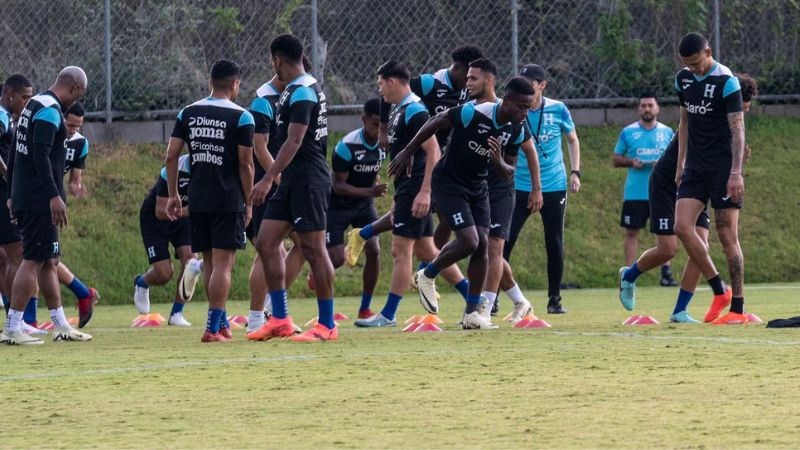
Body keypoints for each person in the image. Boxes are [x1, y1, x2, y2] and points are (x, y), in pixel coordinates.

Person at [391, 77, 535, 329]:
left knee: (481, 248)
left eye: (528, 107)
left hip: (478, 188)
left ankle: (471, 314)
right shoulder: (476, 113)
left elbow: (508, 173)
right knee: (470, 240)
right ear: (508, 101)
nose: (525, 112)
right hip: (449, 182)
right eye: (522, 106)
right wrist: (408, 150)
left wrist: (499, 161)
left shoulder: (516, 129)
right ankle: (428, 273)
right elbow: (436, 121)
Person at [353, 60, 467, 328]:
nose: (379, 90)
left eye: (381, 84)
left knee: (400, 250)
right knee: (428, 250)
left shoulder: (414, 110)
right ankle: (473, 297)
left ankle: (388, 315)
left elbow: (434, 152)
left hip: (418, 186)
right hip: (409, 187)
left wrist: (425, 191)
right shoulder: (400, 109)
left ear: (393, 82)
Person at [247, 34, 338, 342]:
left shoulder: (302, 91)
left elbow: (295, 140)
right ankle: (281, 319)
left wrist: (268, 176)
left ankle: (327, 325)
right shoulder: (294, 89)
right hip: (293, 180)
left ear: (278, 60)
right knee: (266, 241)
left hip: (309, 179)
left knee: (313, 249)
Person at [164, 59, 255, 342]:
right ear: (235, 84)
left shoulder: (188, 112)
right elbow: (245, 164)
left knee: (210, 263)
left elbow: (171, 157)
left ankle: (221, 323)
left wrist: (173, 195)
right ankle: (212, 328)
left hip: (198, 198)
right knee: (224, 265)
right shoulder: (242, 117)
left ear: (210, 82)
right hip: (227, 199)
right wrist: (249, 202)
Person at [1, 66, 91, 345]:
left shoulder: (34, 104)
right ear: (75, 88)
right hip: (40, 199)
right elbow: (40, 156)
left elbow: (16, 149)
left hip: (27, 195)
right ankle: (14, 327)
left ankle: (60, 325)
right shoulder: (51, 111)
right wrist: (54, 196)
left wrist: (12, 194)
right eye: (81, 94)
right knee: (32, 260)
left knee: (49, 261)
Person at [457, 59, 543, 324]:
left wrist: (536, 189)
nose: (468, 83)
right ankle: (519, 300)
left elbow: (529, 152)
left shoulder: (515, 113)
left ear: (490, 81)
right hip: (475, 186)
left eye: (474, 79)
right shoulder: (473, 110)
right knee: (482, 247)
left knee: (493, 247)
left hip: (501, 188)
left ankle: (486, 308)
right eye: (467, 78)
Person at [672, 32, 747, 325]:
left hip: (723, 168)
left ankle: (738, 308)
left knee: (727, 235)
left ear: (708, 51)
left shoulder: (727, 82)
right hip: (695, 168)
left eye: (696, 63)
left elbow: (738, 130)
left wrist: (736, 172)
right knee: (681, 226)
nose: (693, 69)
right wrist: (680, 165)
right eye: (687, 65)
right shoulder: (684, 80)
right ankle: (719, 289)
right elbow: (684, 121)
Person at [500, 64, 581, 315]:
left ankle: (554, 299)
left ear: (542, 85)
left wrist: (575, 172)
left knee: (554, 242)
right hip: (520, 185)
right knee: (504, 242)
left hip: (554, 185)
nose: (527, 86)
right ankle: (492, 297)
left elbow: (572, 139)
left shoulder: (558, 108)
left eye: (532, 83)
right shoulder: (516, 110)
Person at [326, 99, 386, 319]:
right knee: (336, 260)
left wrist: (372, 185)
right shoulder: (346, 146)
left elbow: (373, 170)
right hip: (338, 206)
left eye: (382, 125)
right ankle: (327, 310)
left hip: (364, 206)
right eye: (374, 124)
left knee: (374, 250)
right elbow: (338, 186)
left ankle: (365, 309)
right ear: (364, 120)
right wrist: (370, 192)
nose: (378, 130)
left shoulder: (384, 143)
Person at [612, 93, 676, 285]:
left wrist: (663, 163)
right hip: (635, 192)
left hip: (662, 192)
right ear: (639, 109)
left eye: (650, 105)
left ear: (657, 108)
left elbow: (677, 158)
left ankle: (666, 273)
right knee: (632, 232)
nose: (647, 109)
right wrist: (631, 161)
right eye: (643, 106)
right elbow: (616, 158)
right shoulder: (628, 132)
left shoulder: (667, 132)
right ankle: (630, 274)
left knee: (664, 232)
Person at [133, 154, 195, 326]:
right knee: (164, 273)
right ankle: (141, 282)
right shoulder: (174, 168)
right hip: (156, 218)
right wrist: (191, 209)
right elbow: (161, 211)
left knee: (190, 260)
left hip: (183, 219)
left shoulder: (209, 169)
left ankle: (177, 313)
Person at [0, 75, 32, 324]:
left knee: (5, 259)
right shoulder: (1, 115)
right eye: (24, 98)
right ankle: (16, 322)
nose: (26, 103)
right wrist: (10, 177)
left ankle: (14, 320)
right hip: (3, 194)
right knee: (17, 255)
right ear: (10, 94)